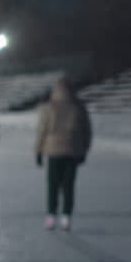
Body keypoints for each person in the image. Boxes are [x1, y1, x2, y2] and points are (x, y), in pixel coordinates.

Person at [35, 76, 92, 230]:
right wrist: (84, 150)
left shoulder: (49, 107)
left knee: (53, 185)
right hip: (73, 151)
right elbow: (87, 132)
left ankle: (51, 215)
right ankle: (66, 216)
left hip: (53, 151)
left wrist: (38, 151)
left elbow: (42, 131)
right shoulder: (78, 106)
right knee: (68, 185)